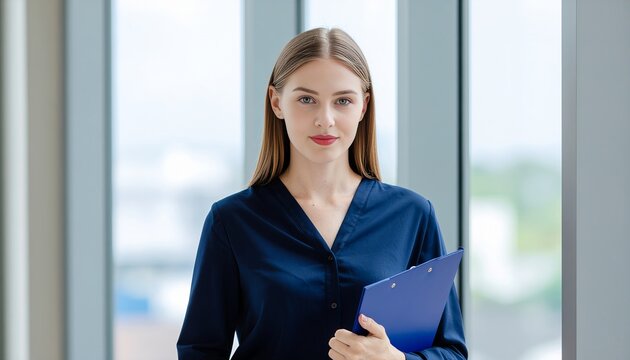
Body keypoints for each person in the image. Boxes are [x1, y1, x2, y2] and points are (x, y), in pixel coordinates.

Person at [177, 27, 467, 360]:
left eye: (343, 100)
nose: (325, 120)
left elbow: (452, 351)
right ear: (276, 102)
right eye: (306, 99)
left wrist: (396, 359)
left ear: (363, 106)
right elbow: (199, 351)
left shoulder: (412, 216)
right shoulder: (231, 222)